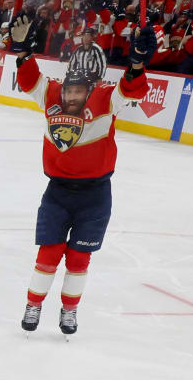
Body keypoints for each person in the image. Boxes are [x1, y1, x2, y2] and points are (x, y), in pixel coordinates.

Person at [14, 25, 152, 337]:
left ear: (90, 89)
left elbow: (132, 90)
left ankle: (69, 311)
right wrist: (23, 51)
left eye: (79, 90)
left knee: (78, 258)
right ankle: (33, 305)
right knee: (48, 253)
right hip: (58, 193)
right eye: (69, 89)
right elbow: (29, 81)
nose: (72, 94)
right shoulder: (51, 94)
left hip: (95, 196)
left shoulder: (105, 100)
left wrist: (138, 64)